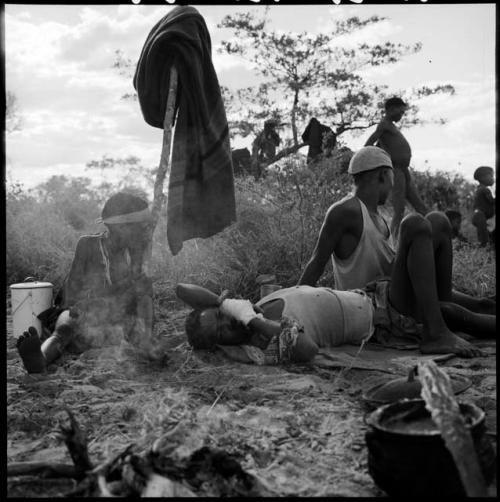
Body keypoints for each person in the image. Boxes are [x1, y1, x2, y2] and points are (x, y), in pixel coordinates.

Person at [296, 146, 495, 358]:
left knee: (439, 221)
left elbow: (389, 268)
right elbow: (316, 262)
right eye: (392, 177)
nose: (393, 186)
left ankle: (440, 304)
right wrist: (291, 310)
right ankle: (436, 332)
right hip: (371, 308)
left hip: (394, 297)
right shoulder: (346, 211)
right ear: (383, 175)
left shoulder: (379, 216)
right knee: (414, 223)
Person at [176, 271, 495, 362]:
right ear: (224, 345)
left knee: (476, 302)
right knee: (454, 312)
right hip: (385, 319)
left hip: (373, 294)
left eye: (219, 316)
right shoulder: (262, 341)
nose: (227, 322)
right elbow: (308, 350)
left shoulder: (245, 308)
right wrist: (251, 320)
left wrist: (225, 302)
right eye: (221, 330)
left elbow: (181, 289)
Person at [16, 192, 160, 374]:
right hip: (84, 311)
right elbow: (71, 293)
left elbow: (143, 295)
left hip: (118, 317)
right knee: (65, 328)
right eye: (141, 227)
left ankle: (146, 340)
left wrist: (144, 328)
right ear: (121, 227)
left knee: (141, 299)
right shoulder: (88, 245)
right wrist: (88, 306)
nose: (145, 232)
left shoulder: (137, 254)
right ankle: (39, 359)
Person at [364, 97, 427, 238]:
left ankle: (430, 235)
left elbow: (382, 146)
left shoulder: (391, 126)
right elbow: (370, 142)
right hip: (395, 170)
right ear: (391, 109)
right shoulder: (384, 124)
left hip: (404, 171)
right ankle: (393, 240)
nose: (401, 115)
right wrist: (366, 158)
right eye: (400, 112)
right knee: (399, 209)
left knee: (420, 207)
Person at [471, 165, 495, 247]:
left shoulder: (479, 189)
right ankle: (484, 247)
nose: (493, 178)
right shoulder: (485, 189)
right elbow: (492, 201)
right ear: (483, 178)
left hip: (482, 216)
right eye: (491, 176)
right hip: (480, 216)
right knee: (484, 238)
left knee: (488, 234)